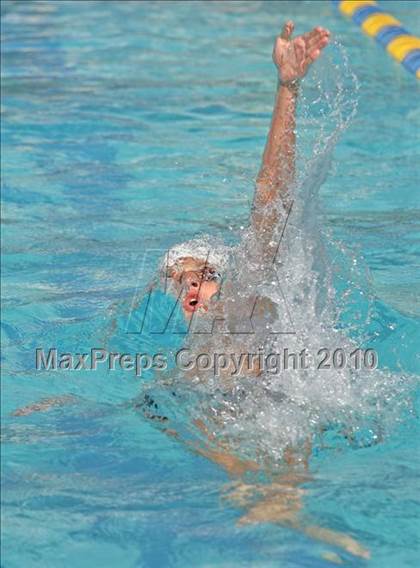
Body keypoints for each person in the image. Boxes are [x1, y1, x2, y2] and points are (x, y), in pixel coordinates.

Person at [14, 22, 370, 559]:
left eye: (201, 275)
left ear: (222, 279)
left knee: (250, 419)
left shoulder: (241, 299)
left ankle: (281, 498)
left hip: (275, 403)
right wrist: (56, 404)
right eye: (181, 280)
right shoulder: (177, 346)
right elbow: (111, 380)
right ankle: (265, 498)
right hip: (216, 409)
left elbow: (270, 200)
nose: (193, 287)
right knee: (155, 406)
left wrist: (286, 90)